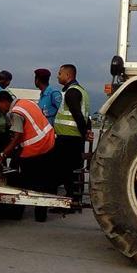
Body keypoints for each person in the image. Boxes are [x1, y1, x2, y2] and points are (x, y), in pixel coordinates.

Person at [0, 91, 57, 222]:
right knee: (42, 182)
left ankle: (16, 213)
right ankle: (40, 216)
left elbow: (17, 137)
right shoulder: (27, 102)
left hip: (35, 148)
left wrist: (3, 154)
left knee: (21, 182)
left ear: (3, 102)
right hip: (48, 143)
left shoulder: (16, 112)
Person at [53, 64, 92, 206]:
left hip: (68, 137)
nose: (57, 76)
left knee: (66, 170)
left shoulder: (71, 92)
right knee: (74, 169)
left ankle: (70, 200)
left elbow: (77, 114)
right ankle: (75, 199)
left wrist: (84, 133)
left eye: (60, 73)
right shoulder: (82, 91)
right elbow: (86, 116)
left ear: (68, 75)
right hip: (75, 137)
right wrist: (86, 131)